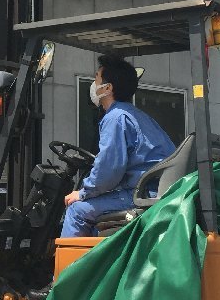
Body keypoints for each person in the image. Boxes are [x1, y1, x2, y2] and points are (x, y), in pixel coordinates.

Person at [60, 54, 176, 237]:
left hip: (142, 194)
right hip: (155, 190)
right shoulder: (135, 115)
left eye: (96, 78)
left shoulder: (116, 118)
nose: (93, 84)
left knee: (76, 210)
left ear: (107, 88)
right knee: (94, 217)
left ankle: (69, 258)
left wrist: (82, 193)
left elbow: (108, 171)